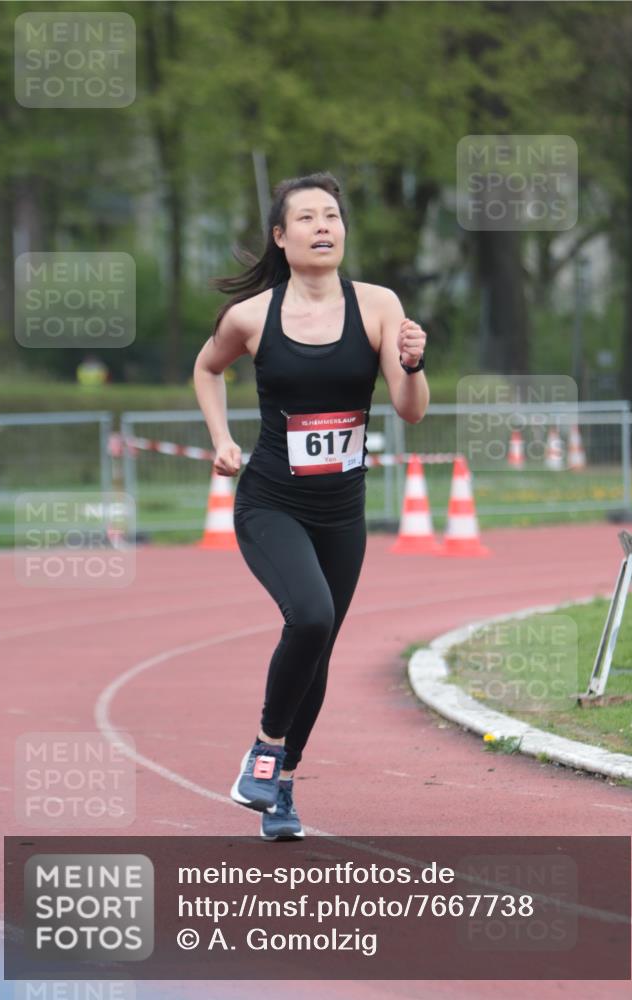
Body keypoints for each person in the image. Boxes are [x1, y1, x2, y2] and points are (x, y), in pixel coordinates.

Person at [193, 171, 428, 840]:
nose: (323, 226)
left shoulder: (379, 306)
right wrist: (221, 438)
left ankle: (280, 787)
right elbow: (207, 368)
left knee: (318, 645)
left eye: (332, 215)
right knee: (311, 614)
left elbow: (411, 413)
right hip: (271, 501)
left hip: (341, 511)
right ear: (280, 236)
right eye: (306, 218)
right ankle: (263, 754)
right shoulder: (253, 316)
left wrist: (412, 366)